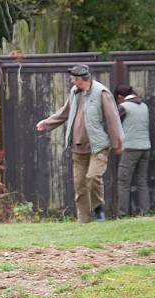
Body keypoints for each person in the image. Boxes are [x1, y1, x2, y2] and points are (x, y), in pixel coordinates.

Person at [36, 64, 123, 223]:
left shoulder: (101, 93)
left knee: (92, 177)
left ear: (80, 79)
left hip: (98, 146)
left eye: (73, 78)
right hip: (78, 147)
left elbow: (113, 119)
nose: (71, 81)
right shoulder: (75, 93)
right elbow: (64, 112)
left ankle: (98, 209)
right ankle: (84, 220)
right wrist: (46, 123)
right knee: (80, 186)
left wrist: (117, 143)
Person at [114, 84, 151, 217]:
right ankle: (145, 213)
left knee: (123, 182)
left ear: (119, 97)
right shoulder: (144, 106)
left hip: (130, 148)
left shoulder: (123, 107)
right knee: (142, 181)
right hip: (146, 148)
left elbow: (114, 125)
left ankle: (122, 214)